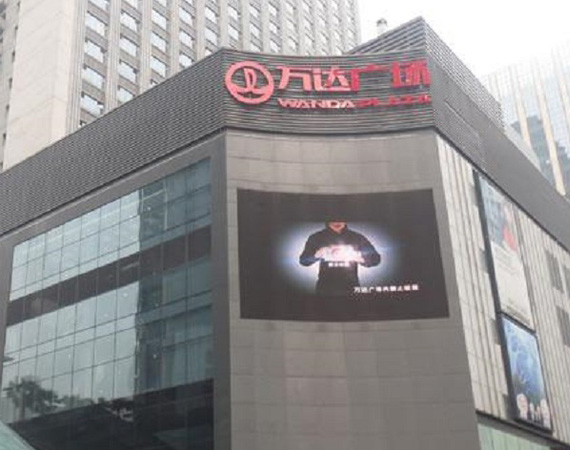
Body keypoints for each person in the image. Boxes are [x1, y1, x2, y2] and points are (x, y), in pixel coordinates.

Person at [299, 221, 381, 295]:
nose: (337, 222)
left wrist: (360, 258)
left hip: (351, 287)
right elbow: (303, 261)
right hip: (325, 287)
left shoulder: (357, 237)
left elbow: (376, 259)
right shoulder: (316, 237)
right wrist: (316, 255)